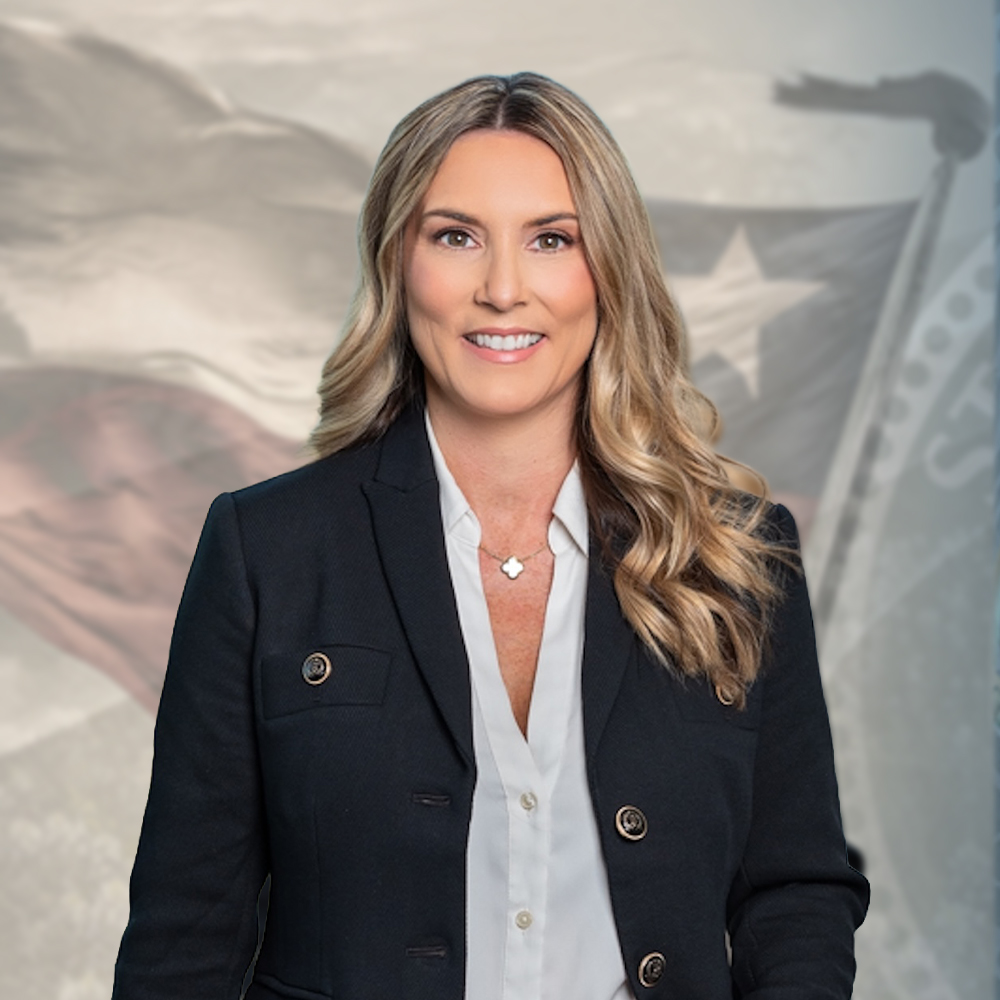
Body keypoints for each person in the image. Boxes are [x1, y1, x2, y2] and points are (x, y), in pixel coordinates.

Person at [112, 72, 868, 1000]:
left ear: (610, 273)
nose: (503, 289)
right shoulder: (264, 549)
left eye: (552, 239)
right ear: (399, 263)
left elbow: (795, 891)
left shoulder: (738, 556)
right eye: (456, 236)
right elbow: (186, 934)